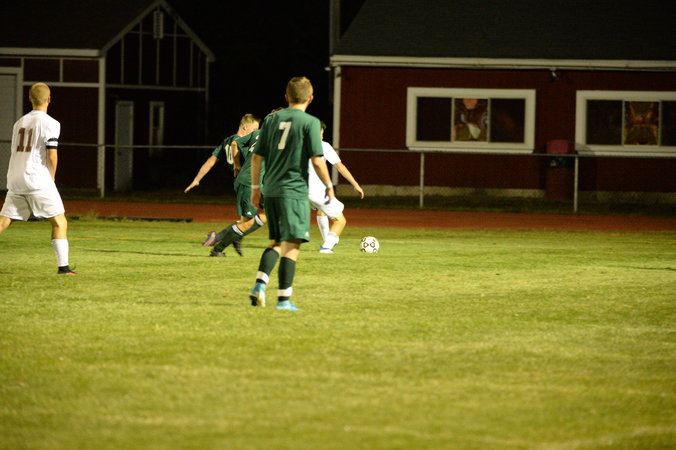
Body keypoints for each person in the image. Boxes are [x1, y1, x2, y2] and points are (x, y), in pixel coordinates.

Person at [248, 76, 334, 311]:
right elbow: (317, 160)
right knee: (292, 244)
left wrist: (255, 189)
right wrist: (329, 185)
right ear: (311, 98)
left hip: (271, 189)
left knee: (276, 241)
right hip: (293, 190)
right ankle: (283, 300)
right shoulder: (310, 122)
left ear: (286, 97)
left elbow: (256, 157)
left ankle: (259, 285)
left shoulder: (271, 120)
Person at [0, 82, 76, 275]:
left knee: (3, 221)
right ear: (49, 99)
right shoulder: (51, 123)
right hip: (36, 178)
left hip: (15, 178)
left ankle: (64, 268)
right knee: (59, 221)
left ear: (30, 99)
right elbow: (52, 154)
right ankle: (64, 268)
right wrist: (51, 178)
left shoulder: (19, 122)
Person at [184, 114, 259, 256]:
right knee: (255, 219)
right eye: (255, 129)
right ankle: (221, 238)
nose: (256, 133)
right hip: (247, 183)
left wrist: (197, 179)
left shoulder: (227, 140)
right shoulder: (242, 142)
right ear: (245, 127)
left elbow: (211, 161)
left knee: (249, 219)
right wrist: (238, 165)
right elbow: (240, 150)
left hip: (240, 182)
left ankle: (231, 237)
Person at [204, 124, 268, 257]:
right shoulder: (274, 138)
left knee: (261, 216)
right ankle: (218, 245)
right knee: (250, 221)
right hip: (250, 182)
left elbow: (235, 143)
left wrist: (237, 165)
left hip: (247, 180)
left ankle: (229, 238)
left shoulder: (258, 133)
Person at [309, 121, 364, 253]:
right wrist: (355, 185)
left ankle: (327, 241)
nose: (322, 136)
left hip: (297, 189)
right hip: (316, 190)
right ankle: (327, 246)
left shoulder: (299, 145)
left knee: (321, 211)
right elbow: (340, 167)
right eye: (321, 133)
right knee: (340, 221)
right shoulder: (323, 146)